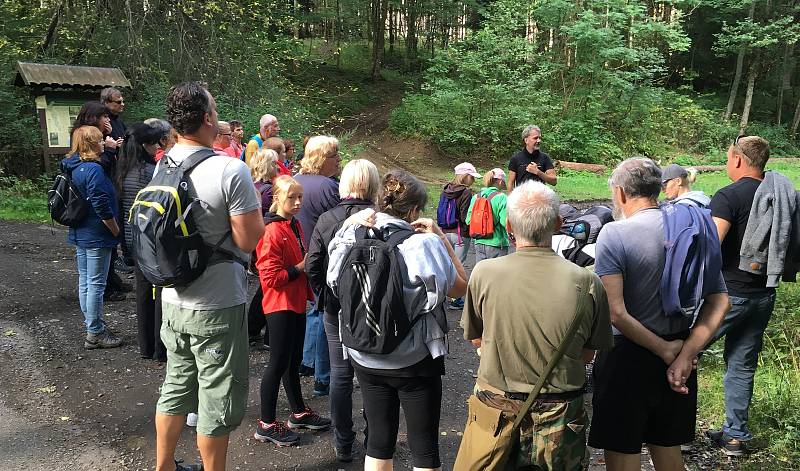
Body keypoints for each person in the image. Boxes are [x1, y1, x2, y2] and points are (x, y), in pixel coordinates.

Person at [456, 181, 613, 470]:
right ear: (557, 223)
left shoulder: (484, 273)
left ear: (507, 223)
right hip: (561, 418)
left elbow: (476, 340)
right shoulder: (587, 281)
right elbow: (588, 354)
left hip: (495, 414)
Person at [587, 157, 730, 471]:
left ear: (621, 193)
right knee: (667, 451)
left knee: (623, 455)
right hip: (681, 356)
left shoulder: (615, 234)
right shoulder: (691, 229)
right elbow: (719, 301)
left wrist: (664, 351)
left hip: (628, 359)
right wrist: (684, 352)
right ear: (658, 188)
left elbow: (615, 313)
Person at [154, 82, 264, 471]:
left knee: (176, 385)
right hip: (216, 303)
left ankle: (163, 464)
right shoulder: (229, 169)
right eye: (214, 109)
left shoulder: (163, 163)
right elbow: (248, 240)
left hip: (171, 297)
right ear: (207, 118)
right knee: (217, 397)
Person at [327, 170, 468, 471]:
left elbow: (334, 284)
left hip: (364, 352)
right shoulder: (423, 244)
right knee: (424, 446)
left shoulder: (349, 235)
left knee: (378, 440)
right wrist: (440, 236)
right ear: (415, 210)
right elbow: (461, 287)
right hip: (414, 358)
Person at [705, 135, 800, 455]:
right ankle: (734, 436)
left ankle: (668, 429)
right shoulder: (783, 194)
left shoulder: (728, 196)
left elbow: (710, 250)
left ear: (737, 159)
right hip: (764, 295)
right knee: (742, 365)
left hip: (729, 296)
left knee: (682, 353)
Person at [306, 159, 381, 463]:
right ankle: (374, 438)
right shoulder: (381, 219)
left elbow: (313, 265)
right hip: (372, 308)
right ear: (372, 185)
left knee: (340, 376)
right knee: (372, 375)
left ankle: (343, 441)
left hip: (335, 307)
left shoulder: (327, 219)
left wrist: (322, 294)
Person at [254, 175, 331, 447]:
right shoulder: (272, 230)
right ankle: (266, 423)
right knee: (277, 364)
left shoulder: (294, 224)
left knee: (293, 361)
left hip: (296, 302)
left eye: (300, 197)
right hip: (279, 306)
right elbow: (269, 278)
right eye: (291, 198)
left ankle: (298, 412)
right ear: (276, 198)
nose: (298, 202)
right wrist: (300, 267)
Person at [60, 125, 123, 349]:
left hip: (80, 231)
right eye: (99, 139)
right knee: (96, 283)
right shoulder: (93, 170)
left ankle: (92, 325)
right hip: (97, 234)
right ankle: (95, 331)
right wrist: (116, 230)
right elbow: (100, 204)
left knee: (85, 281)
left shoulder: (73, 166)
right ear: (90, 143)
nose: (103, 142)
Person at [116, 122, 170, 362]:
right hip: (150, 240)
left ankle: (145, 346)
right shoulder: (151, 172)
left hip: (131, 238)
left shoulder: (123, 169)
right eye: (156, 142)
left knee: (142, 293)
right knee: (160, 290)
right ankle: (161, 348)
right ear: (147, 145)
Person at [295, 135, 342, 397]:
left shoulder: (296, 181)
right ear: (322, 159)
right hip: (322, 257)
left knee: (312, 310)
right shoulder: (328, 187)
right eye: (335, 156)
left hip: (300, 255)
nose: (338, 161)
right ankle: (321, 373)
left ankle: (307, 360)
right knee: (324, 312)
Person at [73, 101, 129, 301]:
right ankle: (105, 290)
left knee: (107, 253)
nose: (107, 120)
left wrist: (112, 142)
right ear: (93, 118)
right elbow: (96, 167)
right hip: (95, 212)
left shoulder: (104, 135)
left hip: (109, 191)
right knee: (99, 258)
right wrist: (110, 149)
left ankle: (112, 280)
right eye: (104, 116)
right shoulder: (85, 137)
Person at [246, 148, 281, 348]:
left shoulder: (253, 186)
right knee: (266, 289)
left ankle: (254, 330)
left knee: (264, 287)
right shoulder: (267, 191)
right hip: (265, 242)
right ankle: (254, 331)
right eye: (275, 164)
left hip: (255, 242)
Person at [439, 162, 481, 309]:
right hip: (460, 235)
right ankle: (456, 300)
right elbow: (464, 217)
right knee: (459, 267)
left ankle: (442, 295)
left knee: (445, 264)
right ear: (465, 176)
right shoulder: (466, 193)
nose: (473, 180)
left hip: (444, 232)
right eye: (472, 177)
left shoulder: (445, 190)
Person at [466, 168, 510, 263]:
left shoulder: (476, 197)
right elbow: (505, 222)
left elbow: (468, 220)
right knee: (497, 275)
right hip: (497, 243)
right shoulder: (502, 197)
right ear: (500, 181)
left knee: (483, 274)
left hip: (479, 242)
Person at [507, 124, 557, 190]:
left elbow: (554, 181)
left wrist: (538, 172)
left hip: (539, 197)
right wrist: (511, 199)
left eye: (540, 138)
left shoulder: (545, 158)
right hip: (522, 198)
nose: (539, 141)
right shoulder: (516, 158)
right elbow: (510, 183)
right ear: (526, 140)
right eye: (535, 138)